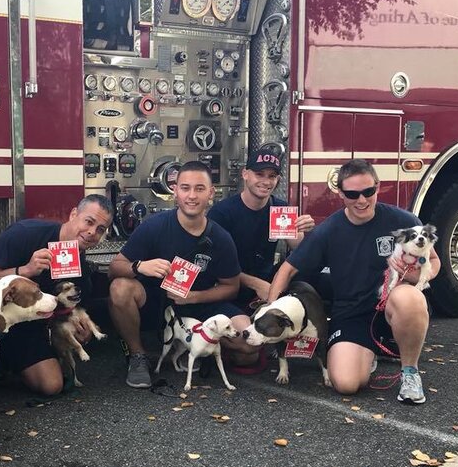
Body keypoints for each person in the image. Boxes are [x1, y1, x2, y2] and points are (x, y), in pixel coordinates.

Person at [267, 159, 440, 402]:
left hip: (391, 305)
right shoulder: (329, 230)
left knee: (410, 298)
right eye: (352, 194)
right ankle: (370, 353)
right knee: (346, 384)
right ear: (341, 193)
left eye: (368, 191)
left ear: (378, 186)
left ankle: (410, 373)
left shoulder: (403, 220)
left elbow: (434, 260)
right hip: (352, 313)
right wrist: (270, 309)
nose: (362, 200)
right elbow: (287, 270)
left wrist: (420, 276)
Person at [108, 161, 255, 389]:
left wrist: (194, 297)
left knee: (248, 347)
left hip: (201, 306)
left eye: (199, 188)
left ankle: (199, 347)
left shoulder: (221, 237)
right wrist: (140, 266)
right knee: (120, 288)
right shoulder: (154, 226)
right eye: (185, 188)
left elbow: (231, 287)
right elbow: (114, 268)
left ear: (211, 193)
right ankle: (138, 356)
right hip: (158, 304)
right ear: (174, 190)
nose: (192, 196)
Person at [0, 195, 113, 396]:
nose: (92, 232)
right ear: (74, 214)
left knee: (51, 385)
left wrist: (81, 331)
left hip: (28, 325)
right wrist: (26, 270)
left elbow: (69, 311)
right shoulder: (26, 233)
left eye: (100, 229)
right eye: (89, 222)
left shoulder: (81, 267)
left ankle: (7, 360)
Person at [208, 145, 315, 309]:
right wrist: (258, 285)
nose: (266, 181)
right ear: (245, 174)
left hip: (268, 281)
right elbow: (214, 264)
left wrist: (301, 230)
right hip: (230, 286)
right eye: (259, 174)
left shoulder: (279, 209)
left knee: (311, 275)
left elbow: (299, 251)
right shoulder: (222, 213)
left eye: (272, 176)